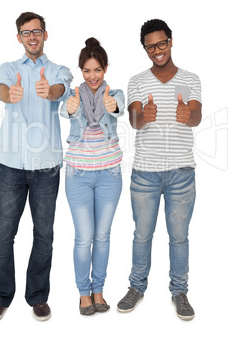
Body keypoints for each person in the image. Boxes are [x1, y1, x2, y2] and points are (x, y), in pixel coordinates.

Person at [0, 12, 73, 323]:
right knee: (2, 234)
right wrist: (11, 95)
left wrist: (53, 92)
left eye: (37, 31)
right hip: (10, 164)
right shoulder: (8, 69)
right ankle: (0, 298)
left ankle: (37, 296)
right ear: (19, 38)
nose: (32, 37)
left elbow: (62, 87)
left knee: (44, 234)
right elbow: (1, 89)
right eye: (25, 32)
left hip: (46, 166)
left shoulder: (58, 70)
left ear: (45, 35)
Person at [117, 19, 202, 320]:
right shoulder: (137, 81)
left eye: (161, 43)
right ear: (145, 48)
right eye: (150, 46)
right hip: (145, 173)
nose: (157, 50)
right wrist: (144, 116)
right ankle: (136, 287)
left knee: (179, 236)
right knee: (142, 234)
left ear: (171, 41)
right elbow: (134, 122)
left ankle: (179, 292)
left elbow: (196, 117)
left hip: (181, 172)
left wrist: (187, 115)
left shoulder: (189, 79)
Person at [60, 38, 124, 315]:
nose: (92, 76)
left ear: (106, 68)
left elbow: (119, 106)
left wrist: (111, 104)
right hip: (78, 175)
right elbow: (65, 110)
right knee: (83, 237)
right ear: (81, 71)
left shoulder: (115, 93)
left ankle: (99, 290)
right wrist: (71, 106)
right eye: (87, 70)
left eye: (97, 70)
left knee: (103, 235)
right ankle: (83, 293)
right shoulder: (73, 95)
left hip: (110, 174)